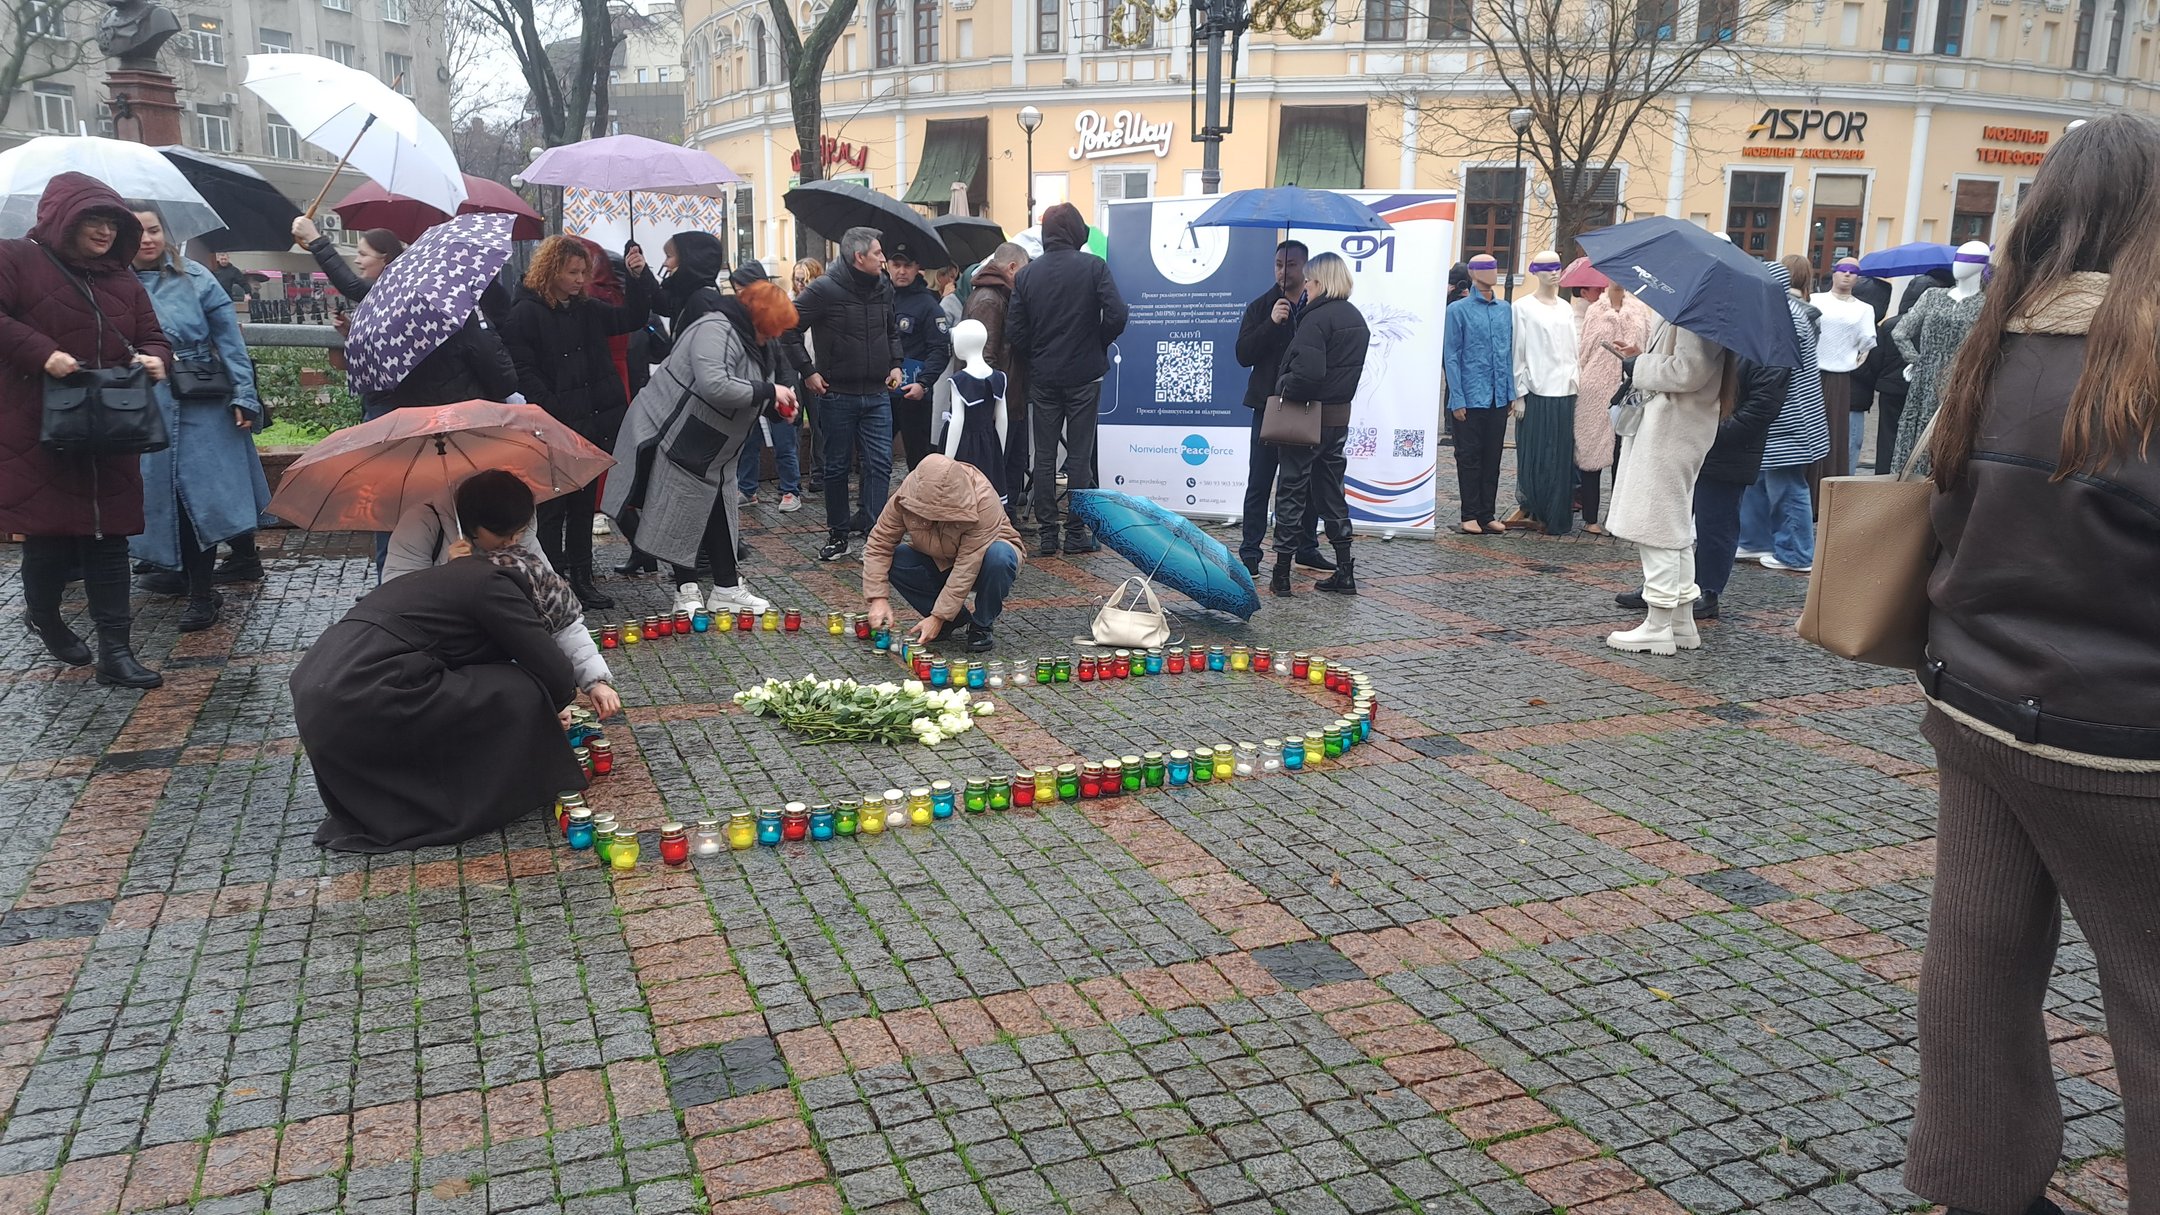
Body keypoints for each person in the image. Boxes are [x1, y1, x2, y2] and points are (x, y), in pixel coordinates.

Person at [1900, 112, 2160, 1215]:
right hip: (2125, 740)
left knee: (1977, 960)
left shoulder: (1990, 346)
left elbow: (1941, 516)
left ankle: (1978, 1185)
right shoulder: (2144, 364)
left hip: (1975, 705)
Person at [291, 474, 587, 853]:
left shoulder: (444, 577)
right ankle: (480, 794)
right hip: (362, 692)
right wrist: (554, 704)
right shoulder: (492, 582)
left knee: (472, 685)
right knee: (518, 687)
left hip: (320, 688)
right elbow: (551, 668)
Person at [0, 173, 172, 688]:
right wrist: (41, 353)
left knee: (109, 537)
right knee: (49, 538)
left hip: (111, 427)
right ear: (62, 219)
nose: (103, 231)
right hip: (38, 425)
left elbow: (153, 336)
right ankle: (46, 617)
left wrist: (157, 359)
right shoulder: (16, 258)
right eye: (91, 219)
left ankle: (115, 653)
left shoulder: (123, 279)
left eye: (111, 222)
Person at [603, 268, 799, 619]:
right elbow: (716, 385)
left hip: (715, 446)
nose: (775, 337)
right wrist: (770, 393)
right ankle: (685, 591)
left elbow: (752, 388)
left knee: (720, 514)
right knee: (678, 510)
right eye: (773, 328)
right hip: (675, 433)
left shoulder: (756, 340)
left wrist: (777, 407)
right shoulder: (715, 329)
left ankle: (726, 588)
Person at [128, 207, 271, 634]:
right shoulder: (110, 283)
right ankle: (179, 573)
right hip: (140, 403)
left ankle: (202, 593)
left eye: (154, 229)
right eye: (137, 233)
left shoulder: (196, 277)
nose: (147, 239)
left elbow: (230, 342)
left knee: (201, 500)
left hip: (200, 401)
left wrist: (244, 397)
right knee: (158, 501)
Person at [382, 471, 620, 720]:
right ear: (474, 526)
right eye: (501, 535)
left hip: (496, 661)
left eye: (518, 532)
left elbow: (556, 612)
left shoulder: (516, 526)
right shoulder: (421, 523)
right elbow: (398, 604)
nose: (512, 542)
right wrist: (447, 575)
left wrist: (594, 679)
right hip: (435, 663)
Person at [500, 235, 654, 610]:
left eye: (584, 272)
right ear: (551, 270)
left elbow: (631, 318)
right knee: (553, 509)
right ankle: (553, 581)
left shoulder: (586, 308)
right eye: (572, 272)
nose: (580, 279)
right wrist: (552, 408)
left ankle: (583, 577)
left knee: (584, 505)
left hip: (592, 419)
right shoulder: (526, 312)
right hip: (554, 423)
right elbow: (522, 368)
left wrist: (638, 277)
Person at [1615, 354, 1788, 621]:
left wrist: (1707, 432)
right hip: (1693, 444)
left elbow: (1761, 409)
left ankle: (1707, 592)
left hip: (1727, 452)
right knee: (1671, 519)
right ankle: (1661, 584)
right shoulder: (1725, 341)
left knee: (1716, 527)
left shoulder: (1770, 351)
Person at [1007, 202, 1129, 556]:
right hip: (1085, 374)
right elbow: (1118, 314)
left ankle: (1047, 535)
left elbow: (1016, 330)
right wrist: (1098, 341)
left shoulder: (1027, 275)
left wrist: (1039, 353)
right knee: (1079, 455)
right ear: (1077, 232)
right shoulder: (1094, 267)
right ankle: (1076, 533)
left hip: (1044, 376)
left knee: (1043, 456)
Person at [1602, 318, 1729, 656]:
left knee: (1656, 522)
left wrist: (1639, 364)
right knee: (1672, 525)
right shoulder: (1700, 308)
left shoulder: (1697, 313)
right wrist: (1645, 356)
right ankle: (1680, 621)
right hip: (1679, 425)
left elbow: (1690, 370)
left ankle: (1658, 625)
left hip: (1673, 427)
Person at [796, 227, 902, 563]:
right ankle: (838, 534)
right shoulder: (824, 289)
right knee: (837, 467)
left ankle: (875, 535)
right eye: (877, 253)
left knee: (880, 464)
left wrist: (896, 363)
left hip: (876, 393)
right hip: (836, 393)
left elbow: (890, 328)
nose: (883, 259)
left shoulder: (883, 287)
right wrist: (808, 371)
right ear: (859, 257)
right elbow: (787, 329)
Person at [1267, 252, 1368, 598]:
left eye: (1309, 281)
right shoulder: (1355, 318)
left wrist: (1283, 385)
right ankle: (1345, 570)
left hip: (1306, 417)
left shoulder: (1316, 319)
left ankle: (1281, 574)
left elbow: (1308, 375)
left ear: (1321, 283)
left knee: (1292, 492)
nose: (1305, 287)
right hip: (1338, 420)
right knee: (1332, 493)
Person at [862, 453, 1024, 652]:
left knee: (999, 557)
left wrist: (938, 616)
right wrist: (878, 599)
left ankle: (981, 625)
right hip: (939, 557)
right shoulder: (907, 494)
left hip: (984, 559)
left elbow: (967, 566)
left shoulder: (983, 499)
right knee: (898, 559)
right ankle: (952, 620)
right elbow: (880, 543)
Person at [1234, 239, 1329, 576]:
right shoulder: (1262, 306)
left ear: (1305, 268)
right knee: (1259, 480)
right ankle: (1250, 552)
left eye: (1290, 264)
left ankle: (1305, 547)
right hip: (1267, 405)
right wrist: (1271, 324)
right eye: (1278, 263)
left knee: (1305, 481)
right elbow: (1243, 354)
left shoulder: (1316, 306)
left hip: (1305, 405)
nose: (1282, 270)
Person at [1737, 262, 1828, 573]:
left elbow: (1771, 370)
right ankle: (1754, 539)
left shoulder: (1782, 317)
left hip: (1789, 417)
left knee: (1786, 485)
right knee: (1760, 478)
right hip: (1782, 415)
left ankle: (1797, 553)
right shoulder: (1785, 312)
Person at [1509, 250, 1582, 535]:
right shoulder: (1522, 306)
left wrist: (1576, 379)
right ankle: (1537, 506)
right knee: (1538, 453)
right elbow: (1519, 350)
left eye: (1557, 267)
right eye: (1547, 267)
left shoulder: (1565, 307)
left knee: (1562, 455)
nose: (1554, 272)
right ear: (1535, 271)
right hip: (1538, 388)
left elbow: (1572, 347)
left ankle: (1557, 510)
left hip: (1565, 389)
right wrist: (1519, 393)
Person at [960, 242, 1032, 525]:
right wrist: (993, 404)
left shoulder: (1000, 296)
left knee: (1011, 467)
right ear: (1012, 268)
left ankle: (1006, 524)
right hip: (998, 403)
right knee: (997, 470)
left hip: (1010, 399)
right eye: (1024, 271)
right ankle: (996, 527)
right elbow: (984, 358)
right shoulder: (990, 300)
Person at [733, 261, 812, 513]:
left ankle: (790, 490)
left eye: (741, 289)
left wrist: (785, 390)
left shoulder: (776, 312)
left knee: (784, 442)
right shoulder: (739, 318)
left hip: (778, 386)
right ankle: (747, 489)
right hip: (752, 389)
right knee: (748, 441)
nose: (738, 295)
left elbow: (786, 356)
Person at [1575, 282, 1653, 534]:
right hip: (1595, 388)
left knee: (1625, 453)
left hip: (1630, 387)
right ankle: (1590, 518)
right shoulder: (1595, 310)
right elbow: (1584, 350)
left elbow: (1649, 347)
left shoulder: (1640, 310)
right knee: (1592, 452)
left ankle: (1619, 518)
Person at [1444, 254, 1513, 534]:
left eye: (1495, 266)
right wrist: (1457, 398)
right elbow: (1451, 355)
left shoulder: (1505, 309)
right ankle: (1469, 513)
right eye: (1486, 267)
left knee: (1493, 457)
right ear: (1473, 273)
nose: (1493, 272)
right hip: (1471, 395)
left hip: (1498, 395)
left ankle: (1487, 513)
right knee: (1469, 456)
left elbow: (1508, 351)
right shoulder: (1458, 310)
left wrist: (1509, 391)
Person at [887, 251, 954, 472]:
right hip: (881, 389)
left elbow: (939, 349)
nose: (902, 271)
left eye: (908, 265)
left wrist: (924, 383)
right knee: (874, 455)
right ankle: (870, 505)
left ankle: (922, 504)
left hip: (913, 391)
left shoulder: (928, 304)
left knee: (918, 458)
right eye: (896, 265)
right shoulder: (879, 297)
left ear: (918, 268)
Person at [1811, 257, 1877, 477]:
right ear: (1835, 272)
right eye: (1843, 270)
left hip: (1840, 376)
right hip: (1812, 373)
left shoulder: (1864, 309)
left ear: (1858, 277)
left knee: (1836, 432)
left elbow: (1867, 342)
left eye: (1853, 271)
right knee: (1808, 426)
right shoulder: (1815, 300)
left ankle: (1828, 482)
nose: (1848, 274)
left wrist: (1858, 359)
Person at [291, 216, 401, 306]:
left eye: (363, 254)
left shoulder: (396, 288)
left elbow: (353, 286)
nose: (356, 260)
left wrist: (314, 238)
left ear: (385, 258)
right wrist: (348, 328)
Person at [1851, 311, 1910, 475]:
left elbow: (1875, 360)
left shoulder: (1890, 325)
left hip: (1891, 389)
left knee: (1888, 437)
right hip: (1919, 389)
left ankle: (1884, 474)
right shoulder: (1932, 321)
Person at [787, 256, 825, 497]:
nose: (800, 284)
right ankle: (792, 478)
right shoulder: (787, 303)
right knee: (794, 424)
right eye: (797, 279)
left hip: (815, 368)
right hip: (792, 371)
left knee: (819, 424)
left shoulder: (821, 302)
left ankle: (818, 471)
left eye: (805, 279)